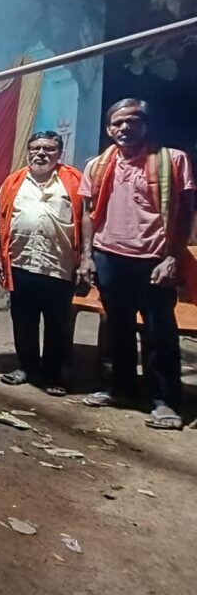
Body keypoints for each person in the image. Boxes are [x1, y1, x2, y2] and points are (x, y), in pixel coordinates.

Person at [78, 99, 196, 430]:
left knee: (160, 332)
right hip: (109, 256)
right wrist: (87, 256)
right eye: (118, 123)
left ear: (146, 124)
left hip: (154, 260)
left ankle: (164, 400)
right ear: (109, 129)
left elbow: (186, 213)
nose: (125, 127)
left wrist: (173, 256)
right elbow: (88, 214)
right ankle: (123, 389)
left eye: (133, 120)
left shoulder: (172, 160)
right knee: (118, 328)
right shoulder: (98, 165)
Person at [0, 132, 84, 396]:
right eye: (35, 148)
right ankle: (27, 367)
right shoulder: (14, 182)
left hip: (59, 264)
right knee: (23, 320)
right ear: (28, 151)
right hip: (21, 263)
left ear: (59, 153)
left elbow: (88, 219)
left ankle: (52, 373)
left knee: (57, 323)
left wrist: (86, 260)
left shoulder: (74, 181)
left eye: (48, 149)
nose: (41, 153)